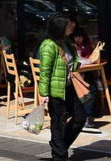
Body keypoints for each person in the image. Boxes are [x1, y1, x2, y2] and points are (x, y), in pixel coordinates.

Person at [38, 12, 87, 160]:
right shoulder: (48, 45)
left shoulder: (66, 42)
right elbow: (45, 72)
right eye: (68, 24)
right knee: (58, 123)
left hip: (68, 87)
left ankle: (59, 146)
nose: (71, 26)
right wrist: (43, 93)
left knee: (80, 118)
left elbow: (72, 64)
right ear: (60, 27)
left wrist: (87, 59)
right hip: (55, 91)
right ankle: (59, 155)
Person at [72, 26, 104, 134]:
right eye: (76, 37)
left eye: (80, 37)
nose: (78, 39)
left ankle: (87, 117)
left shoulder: (85, 47)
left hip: (80, 75)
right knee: (89, 91)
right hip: (73, 77)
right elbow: (77, 61)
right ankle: (87, 118)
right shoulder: (72, 47)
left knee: (91, 89)